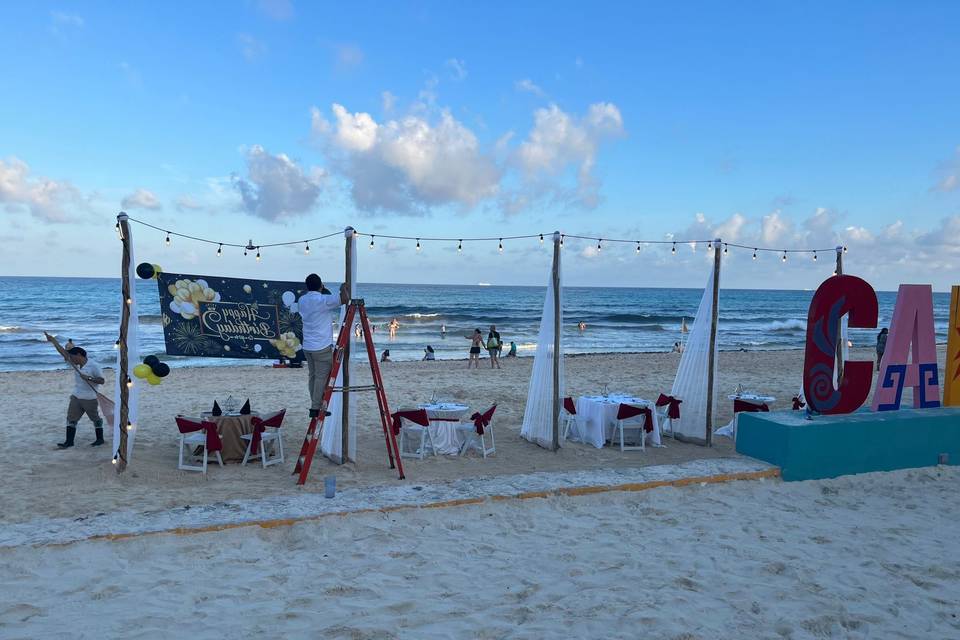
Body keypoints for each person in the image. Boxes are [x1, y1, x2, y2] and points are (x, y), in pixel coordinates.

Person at [296, 274, 350, 418]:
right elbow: (344, 299)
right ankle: (315, 407)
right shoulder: (323, 300)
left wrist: (321, 289)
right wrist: (342, 287)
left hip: (307, 345)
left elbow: (325, 296)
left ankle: (314, 404)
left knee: (313, 376)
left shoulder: (302, 300)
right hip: (321, 346)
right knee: (321, 377)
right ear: (321, 285)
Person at [58, 346, 106, 449]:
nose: (70, 359)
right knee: (71, 419)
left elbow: (102, 381)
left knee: (95, 419)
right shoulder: (76, 365)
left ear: (79, 355)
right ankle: (69, 442)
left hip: (90, 398)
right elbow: (63, 352)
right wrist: (53, 340)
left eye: (72, 357)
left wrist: (89, 378)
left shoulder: (94, 365)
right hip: (76, 396)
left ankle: (100, 439)